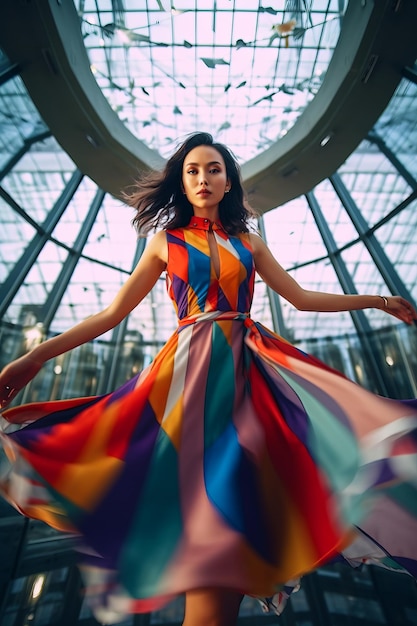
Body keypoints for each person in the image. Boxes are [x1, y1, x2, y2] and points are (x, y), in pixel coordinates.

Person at [0, 131, 416, 626]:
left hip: (247, 373)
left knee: (239, 515)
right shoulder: (165, 243)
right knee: (204, 514)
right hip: (188, 379)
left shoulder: (248, 242)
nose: (202, 178)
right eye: (193, 170)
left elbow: (302, 298)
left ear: (228, 181)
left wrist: (374, 300)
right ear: (182, 180)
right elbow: (111, 316)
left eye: (213, 169)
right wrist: (36, 358)